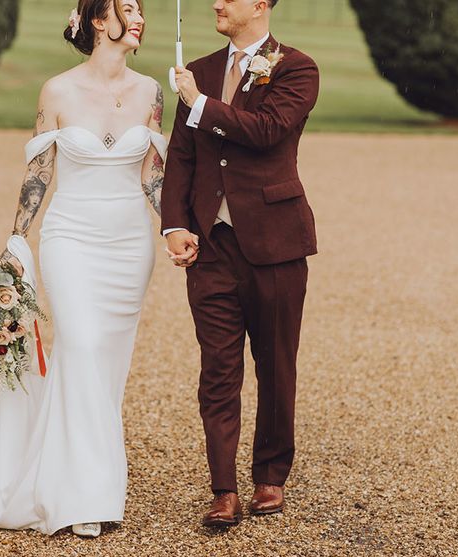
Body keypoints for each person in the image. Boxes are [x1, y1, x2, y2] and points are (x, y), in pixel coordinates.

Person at [0, 0, 166, 538]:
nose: (139, 16)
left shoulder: (153, 92)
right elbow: (39, 173)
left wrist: (175, 227)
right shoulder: (57, 91)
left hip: (130, 246)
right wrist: (17, 237)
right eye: (127, 8)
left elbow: (154, 176)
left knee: (105, 365)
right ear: (99, 22)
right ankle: (90, 496)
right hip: (72, 239)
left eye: (141, 8)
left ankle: (69, 481)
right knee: (79, 345)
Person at [161, 0, 319, 527]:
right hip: (211, 247)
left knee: (275, 364)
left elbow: (267, 130)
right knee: (218, 371)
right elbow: (182, 155)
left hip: (275, 243)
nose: (216, 3)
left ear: (260, 5)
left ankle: (270, 477)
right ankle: (223, 488)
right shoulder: (200, 71)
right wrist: (175, 224)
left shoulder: (296, 68)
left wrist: (198, 103)